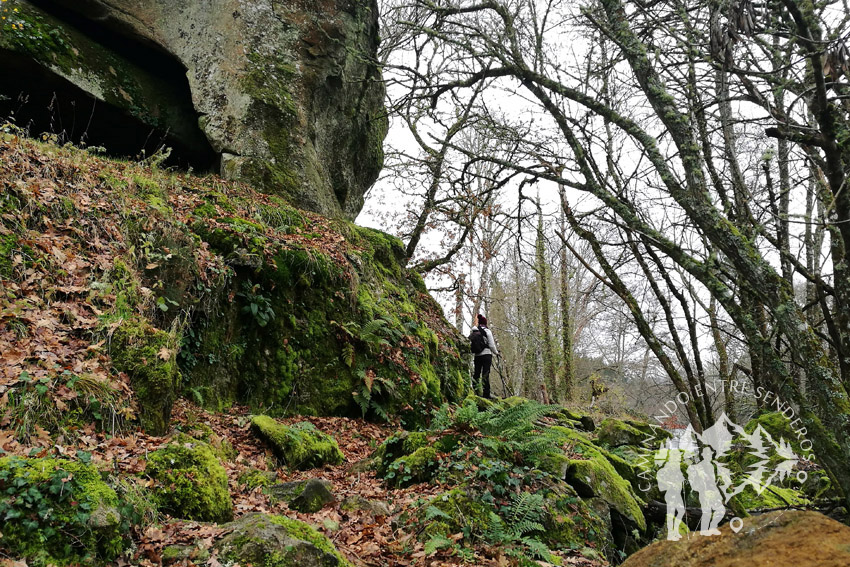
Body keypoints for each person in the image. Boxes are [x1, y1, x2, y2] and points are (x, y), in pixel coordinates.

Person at [471, 314, 499, 399]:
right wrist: (496, 353)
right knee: (485, 374)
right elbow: (491, 345)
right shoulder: (487, 331)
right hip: (486, 355)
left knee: (476, 373)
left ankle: (475, 392)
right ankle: (486, 394)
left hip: (477, 356)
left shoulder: (474, 332)